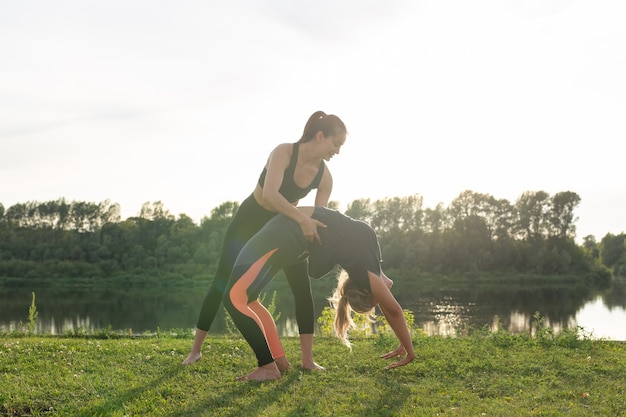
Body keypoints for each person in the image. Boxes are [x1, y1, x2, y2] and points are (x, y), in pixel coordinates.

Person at [182, 111, 347, 370]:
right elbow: (270, 195)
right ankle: (196, 350)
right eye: (336, 143)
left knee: (301, 287)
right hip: (250, 220)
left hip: (283, 227)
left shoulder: (325, 176)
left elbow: (319, 214)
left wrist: (317, 237)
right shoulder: (283, 153)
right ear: (320, 135)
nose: (337, 151)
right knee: (222, 280)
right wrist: (302, 220)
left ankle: (307, 360)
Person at [223, 206, 415, 381]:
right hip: (281, 237)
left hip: (283, 237)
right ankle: (276, 362)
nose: (383, 294)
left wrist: (404, 342)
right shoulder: (366, 268)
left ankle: (269, 366)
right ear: (367, 292)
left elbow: (388, 303)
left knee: (236, 299)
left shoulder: (366, 249)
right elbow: (393, 309)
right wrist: (408, 348)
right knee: (242, 299)